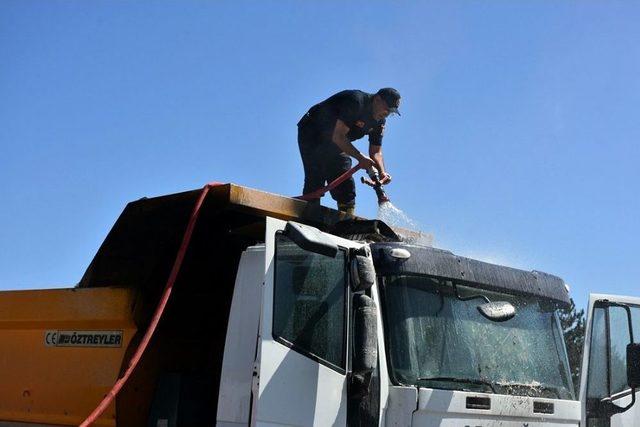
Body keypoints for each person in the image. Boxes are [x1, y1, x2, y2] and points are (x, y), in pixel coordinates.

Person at [297, 88, 401, 215]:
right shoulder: (356, 101)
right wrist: (360, 157)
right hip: (313, 132)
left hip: (336, 141)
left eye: (391, 112)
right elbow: (338, 136)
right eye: (387, 108)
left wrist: (382, 171)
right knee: (316, 178)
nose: (387, 113)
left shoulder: (379, 122)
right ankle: (310, 217)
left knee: (346, 185)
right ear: (377, 99)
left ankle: (347, 223)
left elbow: (376, 151)